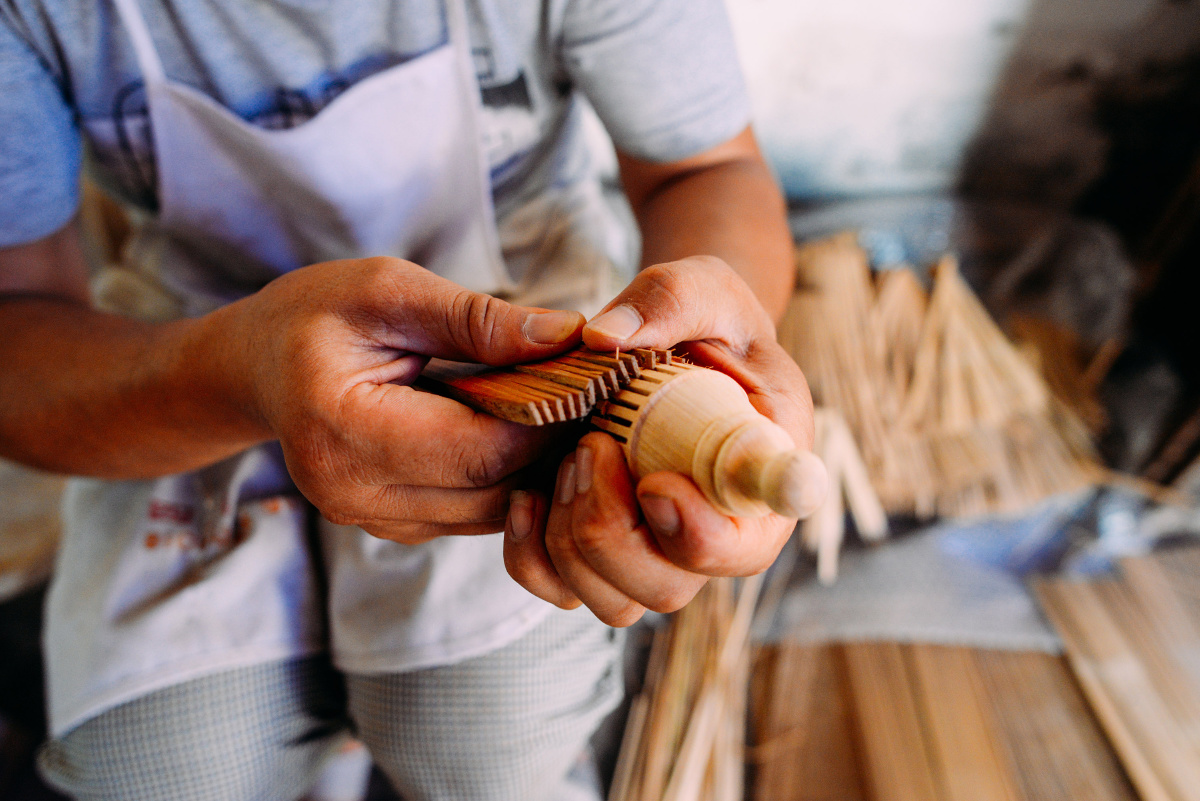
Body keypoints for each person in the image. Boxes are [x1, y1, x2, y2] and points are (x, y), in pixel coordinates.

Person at [0, 0, 819, 798]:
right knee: (163, 768)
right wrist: (249, 372)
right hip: (190, 344)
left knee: (476, 743)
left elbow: (707, 170)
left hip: (525, 304)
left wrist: (713, 342)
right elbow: (18, 328)